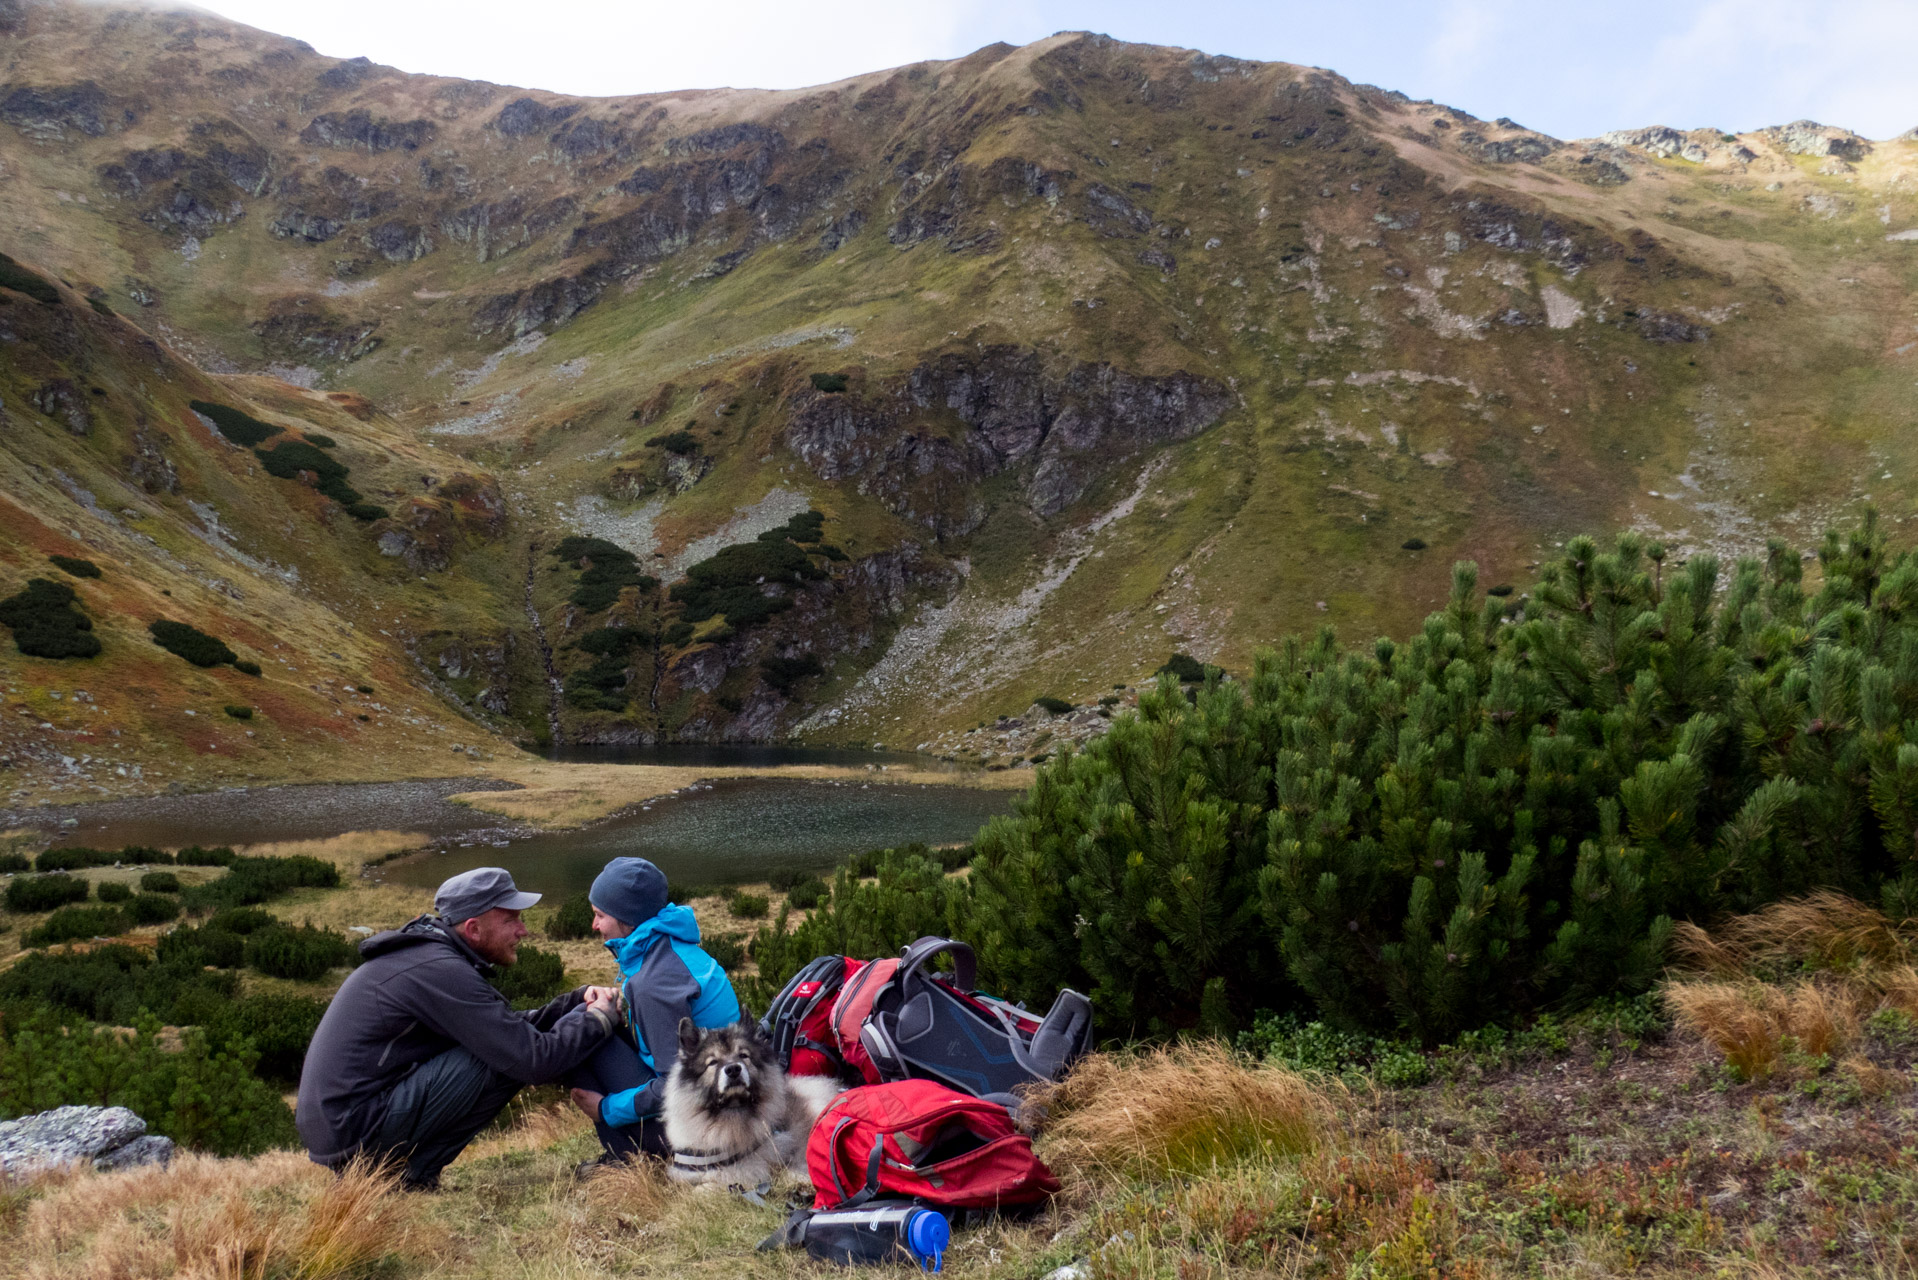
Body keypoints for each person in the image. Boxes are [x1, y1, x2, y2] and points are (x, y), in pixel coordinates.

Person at [296, 867, 618, 1190]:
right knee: (498, 1058)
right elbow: (531, 1058)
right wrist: (598, 1021)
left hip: (346, 1125)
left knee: (498, 1048)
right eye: (511, 920)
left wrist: (574, 1001)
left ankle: (406, 1177)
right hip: (354, 1129)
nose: (523, 931)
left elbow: (505, 1030)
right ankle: (406, 1178)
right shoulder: (442, 971)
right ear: (474, 929)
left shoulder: (432, 956)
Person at [566, 857, 740, 1165]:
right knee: (591, 1020)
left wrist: (606, 1108)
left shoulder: (653, 983)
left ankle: (631, 1157)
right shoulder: (671, 947)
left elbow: (674, 1083)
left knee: (579, 1031)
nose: (594, 925)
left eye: (599, 915)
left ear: (628, 920)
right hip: (726, 1102)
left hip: (705, 1124)